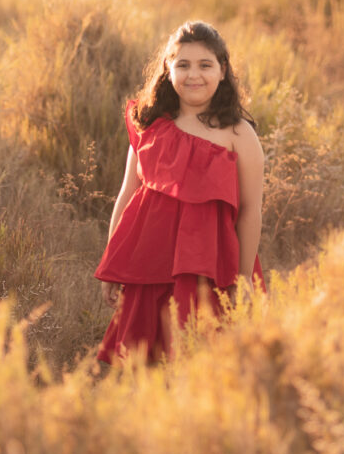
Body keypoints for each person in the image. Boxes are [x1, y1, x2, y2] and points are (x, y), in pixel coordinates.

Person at [93, 20, 265, 364]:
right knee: (145, 363)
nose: (193, 75)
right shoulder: (151, 123)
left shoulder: (238, 133)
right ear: (167, 69)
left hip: (210, 267)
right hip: (150, 264)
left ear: (222, 70)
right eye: (182, 65)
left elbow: (250, 211)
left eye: (205, 65)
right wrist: (112, 265)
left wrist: (243, 277)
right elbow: (128, 194)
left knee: (206, 360)